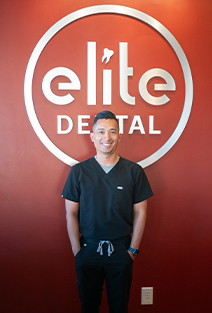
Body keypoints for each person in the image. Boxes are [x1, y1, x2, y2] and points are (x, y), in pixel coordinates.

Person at [61, 110, 153, 313]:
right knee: (89, 307)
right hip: (88, 250)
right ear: (92, 136)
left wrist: (132, 251)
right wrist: (78, 253)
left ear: (119, 136)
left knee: (119, 307)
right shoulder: (78, 172)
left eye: (112, 132)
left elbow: (141, 213)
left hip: (121, 251)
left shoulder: (133, 171)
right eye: (101, 131)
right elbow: (71, 214)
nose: (107, 137)